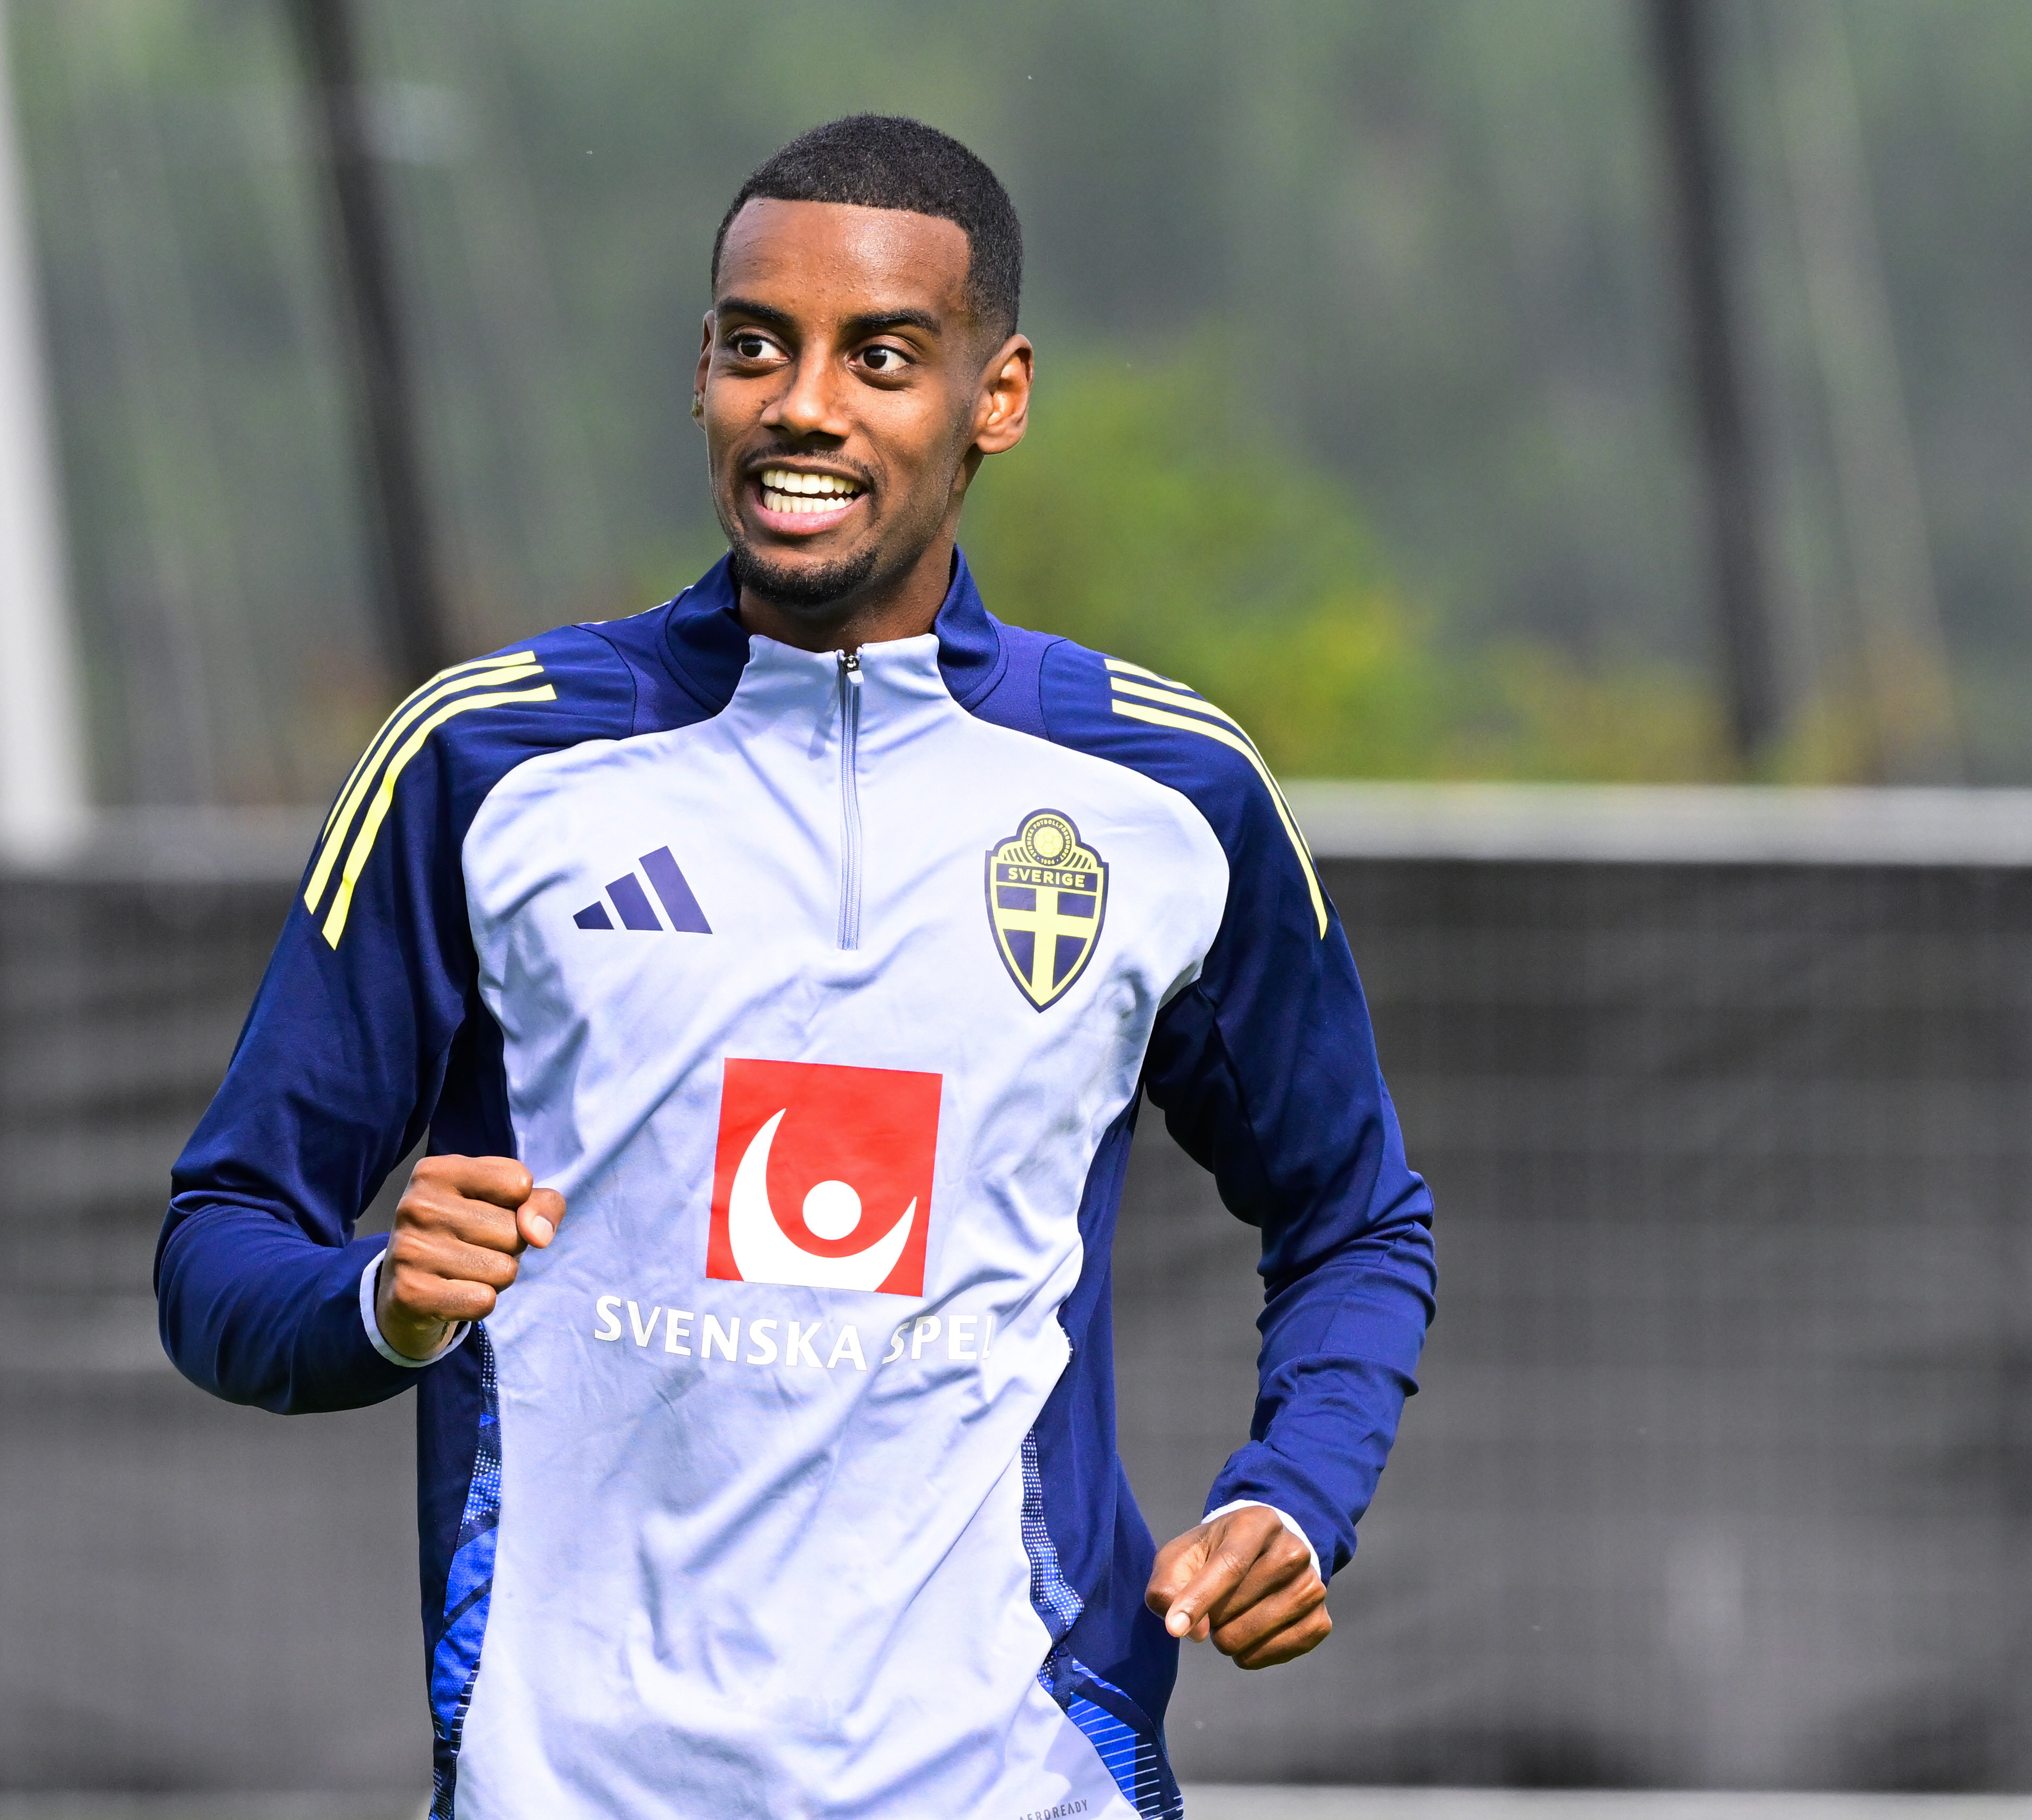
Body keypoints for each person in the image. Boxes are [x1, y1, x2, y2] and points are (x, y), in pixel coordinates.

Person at [157, 113, 1435, 1820]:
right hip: (570, 1785)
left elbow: (1356, 1215)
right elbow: (218, 1247)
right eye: (757, 345)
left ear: (1000, 398)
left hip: (1017, 1782)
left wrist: (1294, 1492)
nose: (805, 403)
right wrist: (376, 1302)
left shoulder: (1165, 795)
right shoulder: (484, 765)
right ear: (701, 374)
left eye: (882, 355)